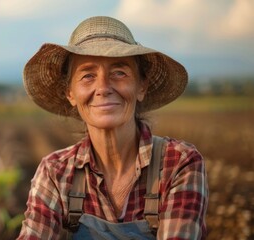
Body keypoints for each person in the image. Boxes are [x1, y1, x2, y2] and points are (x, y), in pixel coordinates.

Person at [17, 16, 208, 240]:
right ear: (70, 93)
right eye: (88, 76)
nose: (103, 88)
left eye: (119, 73)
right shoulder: (55, 173)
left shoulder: (178, 164)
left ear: (141, 86)